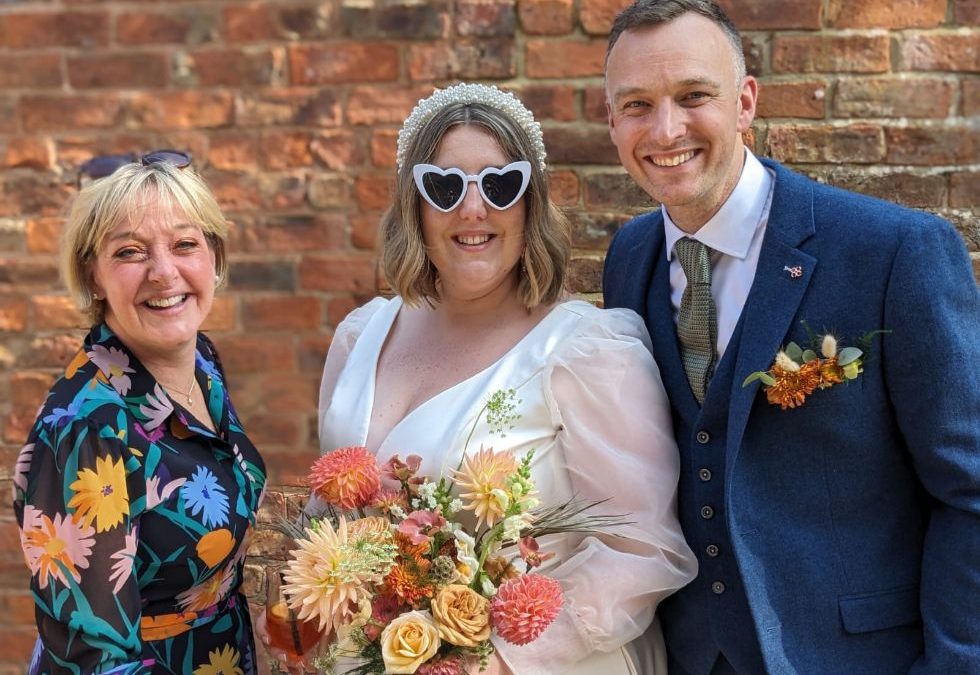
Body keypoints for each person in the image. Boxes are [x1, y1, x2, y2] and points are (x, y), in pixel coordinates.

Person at [601, 1, 980, 673]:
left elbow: (969, 490)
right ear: (611, 121)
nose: (665, 129)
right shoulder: (629, 257)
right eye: (637, 105)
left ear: (745, 102)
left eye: (694, 96)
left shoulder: (894, 251)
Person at [307, 83, 697, 674]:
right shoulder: (360, 336)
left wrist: (494, 662)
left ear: (530, 204)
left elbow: (642, 551)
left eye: (500, 185)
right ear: (414, 205)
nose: (473, 209)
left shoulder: (588, 352)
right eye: (444, 187)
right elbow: (328, 513)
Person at [12, 153, 267, 674]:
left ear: (214, 258)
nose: (164, 272)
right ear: (93, 275)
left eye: (185, 244)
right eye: (130, 252)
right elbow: (93, 657)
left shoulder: (201, 363)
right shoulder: (87, 429)